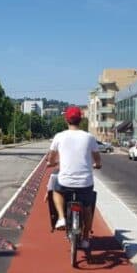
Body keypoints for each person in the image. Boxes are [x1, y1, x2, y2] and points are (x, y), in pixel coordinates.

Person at [45, 106, 102, 249]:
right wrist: (98, 164)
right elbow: (97, 158)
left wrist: (51, 163)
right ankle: (86, 238)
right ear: (80, 120)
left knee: (56, 190)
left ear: (66, 120)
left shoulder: (59, 136)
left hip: (65, 182)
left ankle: (61, 218)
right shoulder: (89, 137)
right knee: (88, 208)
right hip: (85, 183)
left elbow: (51, 157)